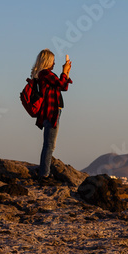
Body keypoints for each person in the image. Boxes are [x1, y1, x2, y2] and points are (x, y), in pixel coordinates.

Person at [30, 49, 72, 180]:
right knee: (49, 145)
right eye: (53, 61)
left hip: (53, 111)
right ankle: (44, 174)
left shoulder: (45, 75)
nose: (54, 63)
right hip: (51, 111)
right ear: (47, 61)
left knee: (49, 144)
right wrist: (64, 72)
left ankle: (44, 172)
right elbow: (60, 83)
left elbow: (63, 87)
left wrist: (66, 72)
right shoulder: (45, 74)